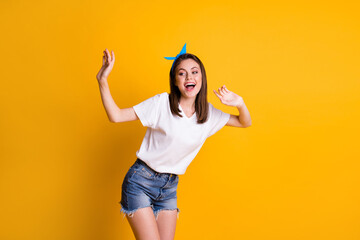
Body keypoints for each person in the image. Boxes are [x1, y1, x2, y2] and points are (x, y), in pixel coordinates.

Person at [96, 44, 252, 240]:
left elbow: (244, 122)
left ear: (201, 78)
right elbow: (116, 116)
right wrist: (103, 80)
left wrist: (240, 103)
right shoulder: (161, 104)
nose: (189, 77)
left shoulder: (208, 114)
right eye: (182, 73)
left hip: (169, 188)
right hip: (141, 181)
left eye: (194, 72)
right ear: (175, 81)